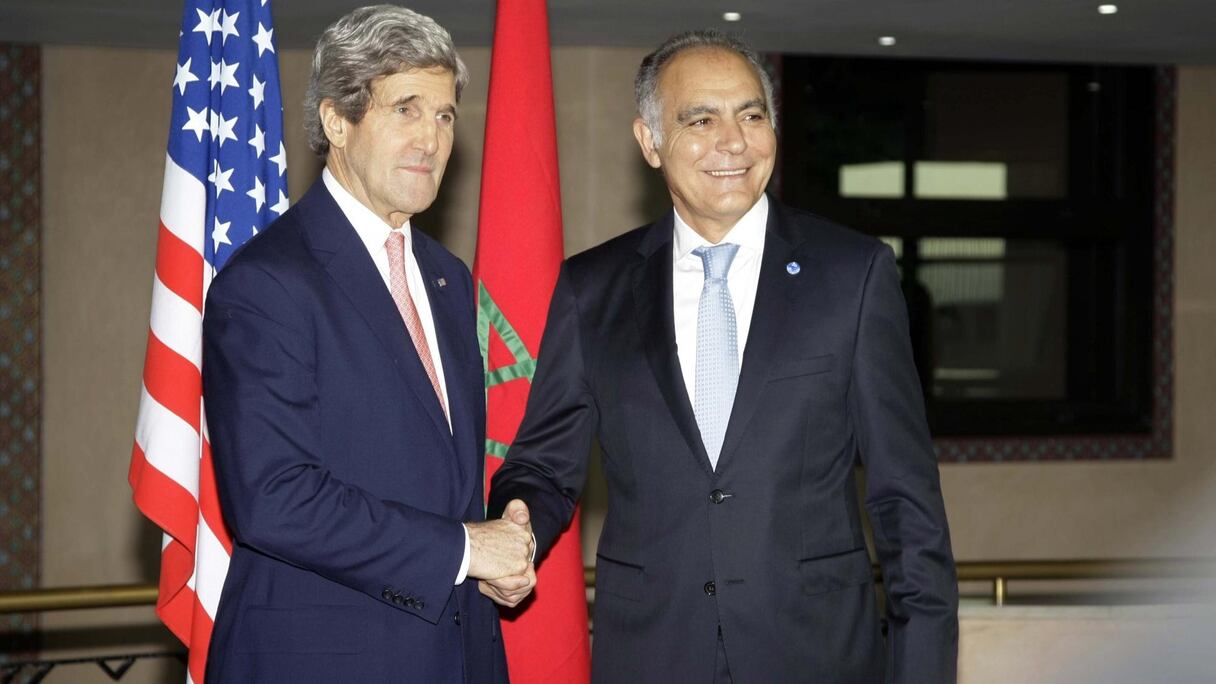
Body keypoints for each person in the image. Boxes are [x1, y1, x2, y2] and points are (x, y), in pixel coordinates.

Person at [488, 30, 958, 683]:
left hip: (819, 656)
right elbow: (543, 463)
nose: (733, 141)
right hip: (651, 655)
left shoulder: (853, 275)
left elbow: (906, 501)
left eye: (751, 114)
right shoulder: (592, 289)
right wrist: (517, 516)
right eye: (700, 120)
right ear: (650, 142)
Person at [202, 6, 534, 682]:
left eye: (444, 115)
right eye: (405, 109)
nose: (431, 138)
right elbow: (273, 497)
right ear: (336, 121)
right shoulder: (268, 280)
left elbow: (441, 476)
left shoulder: (447, 277)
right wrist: (465, 551)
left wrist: (496, 543)